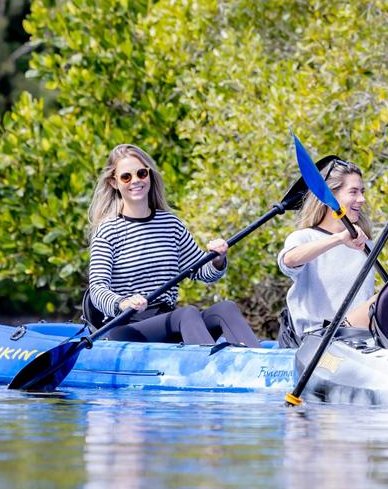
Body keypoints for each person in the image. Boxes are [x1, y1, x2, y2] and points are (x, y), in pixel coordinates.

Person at [87, 143, 260, 346]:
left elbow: (201, 271)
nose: (136, 181)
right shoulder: (108, 230)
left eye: (141, 174)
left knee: (226, 308)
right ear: (114, 183)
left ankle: (263, 369)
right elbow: (97, 289)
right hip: (126, 328)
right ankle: (208, 372)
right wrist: (123, 303)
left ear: (149, 175)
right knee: (187, 313)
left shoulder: (169, 224)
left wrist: (218, 259)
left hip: (167, 321)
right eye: (126, 177)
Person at [278, 159, 378, 341]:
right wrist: (339, 239)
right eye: (353, 192)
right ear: (331, 196)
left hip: (360, 340)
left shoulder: (365, 244)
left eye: (362, 192)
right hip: (318, 339)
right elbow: (289, 261)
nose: (362, 199)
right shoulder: (304, 238)